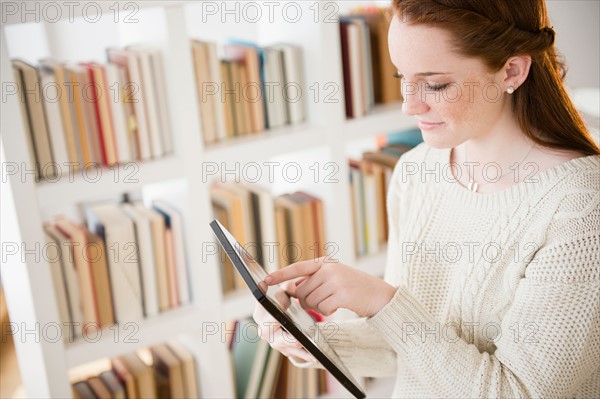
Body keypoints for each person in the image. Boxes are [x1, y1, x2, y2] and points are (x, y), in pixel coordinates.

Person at [253, 0, 600, 397]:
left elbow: (518, 392)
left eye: (435, 84)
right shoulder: (417, 171)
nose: (408, 106)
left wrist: (382, 302)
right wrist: (311, 338)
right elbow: (410, 345)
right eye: (402, 77)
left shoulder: (580, 209)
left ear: (512, 70)